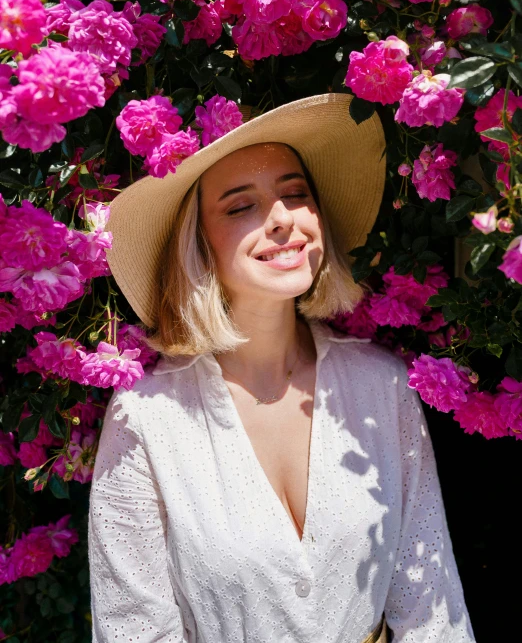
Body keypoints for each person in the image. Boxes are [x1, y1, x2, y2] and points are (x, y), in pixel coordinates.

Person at [88, 93, 476, 643]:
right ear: (197, 241)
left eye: (295, 194)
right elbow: (133, 630)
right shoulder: (146, 420)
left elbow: (431, 608)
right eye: (239, 206)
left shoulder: (383, 388)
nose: (281, 220)